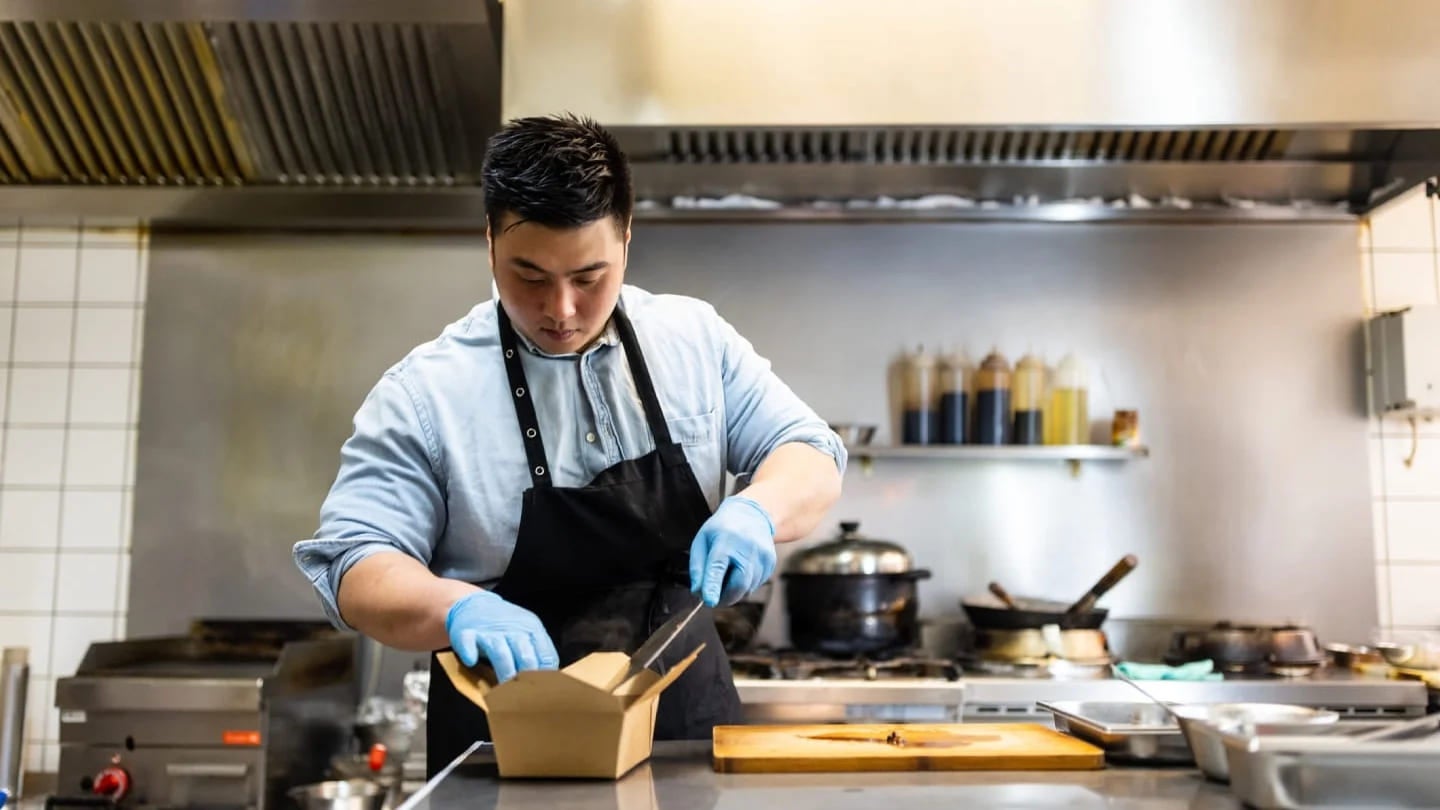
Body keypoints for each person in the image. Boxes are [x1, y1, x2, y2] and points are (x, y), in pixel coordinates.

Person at [292, 114, 846, 776]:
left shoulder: (695, 342)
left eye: (589, 276)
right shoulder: (425, 393)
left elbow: (807, 449)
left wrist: (759, 508)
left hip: (684, 742)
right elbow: (355, 563)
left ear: (628, 238)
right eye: (528, 275)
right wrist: (454, 605)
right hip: (503, 749)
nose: (561, 308)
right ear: (490, 241)